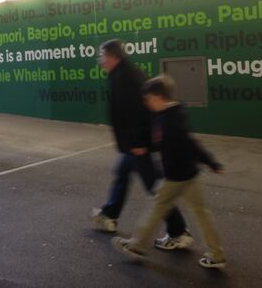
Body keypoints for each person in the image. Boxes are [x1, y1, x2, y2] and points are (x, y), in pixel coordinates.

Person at [112, 75, 226, 269]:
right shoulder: (173, 113)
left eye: (148, 98)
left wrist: (209, 162)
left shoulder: (168, 122)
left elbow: (186, 144)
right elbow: (187, 142)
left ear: (158, 96)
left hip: (175, 177)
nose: (146, 102)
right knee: (202, 214)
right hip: (190, 174)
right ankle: (217, 255)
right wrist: (211, 163)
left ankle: (137, 245)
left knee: (156, 207)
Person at [90, 39, 192, 250]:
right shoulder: (123, 74)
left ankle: (179, 232)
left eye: (102, 56)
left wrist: (138, 142)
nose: (100, 61)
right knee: (122, 174)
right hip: (133, 143)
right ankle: (109, 215)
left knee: (155, 187)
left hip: (137, 143)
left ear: (112, 56)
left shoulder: (125, 78)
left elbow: (139, 112)